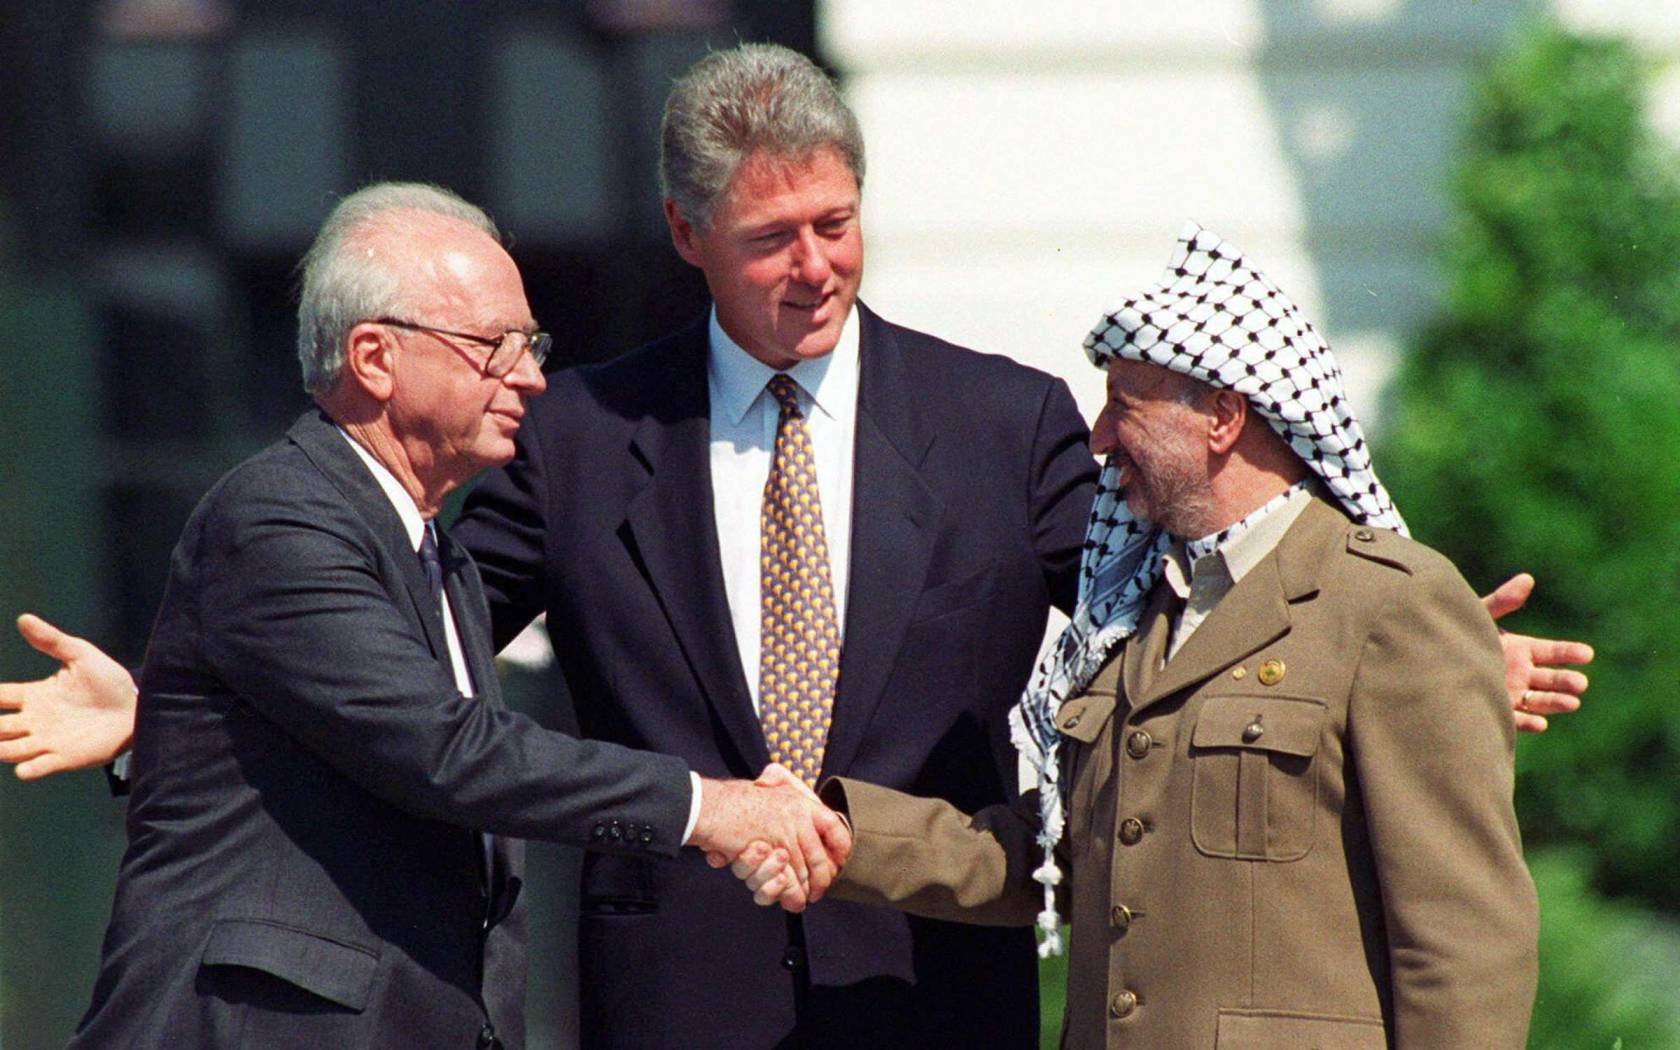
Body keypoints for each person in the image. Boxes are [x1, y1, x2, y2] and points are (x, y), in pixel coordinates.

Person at [0, 46, 1586, 1049]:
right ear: (690, 237)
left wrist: (1407, 650)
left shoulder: (1004, 418)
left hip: (930, 983)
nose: (815, 264)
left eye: (837, 222)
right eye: (771, 236)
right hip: (675, 993)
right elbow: (409, 660)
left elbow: (1163, 594)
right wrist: (184, 705)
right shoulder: (581, 433)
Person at [50, 182, 846, 1050]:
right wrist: (710, 808)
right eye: (495, 345)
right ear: (374, 358)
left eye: (533, 344)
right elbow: (447, 751)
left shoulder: (443, 557)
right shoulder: (278, 518)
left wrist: (150, 717)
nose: (531, 376)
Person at [739, 224, 1541, 1048]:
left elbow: (1464, 942)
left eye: (1126, 405)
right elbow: (1054, 859)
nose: (1098, 438)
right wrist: (843, 833)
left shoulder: (1389, 608)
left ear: (1223, 417)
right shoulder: (1136, 614)